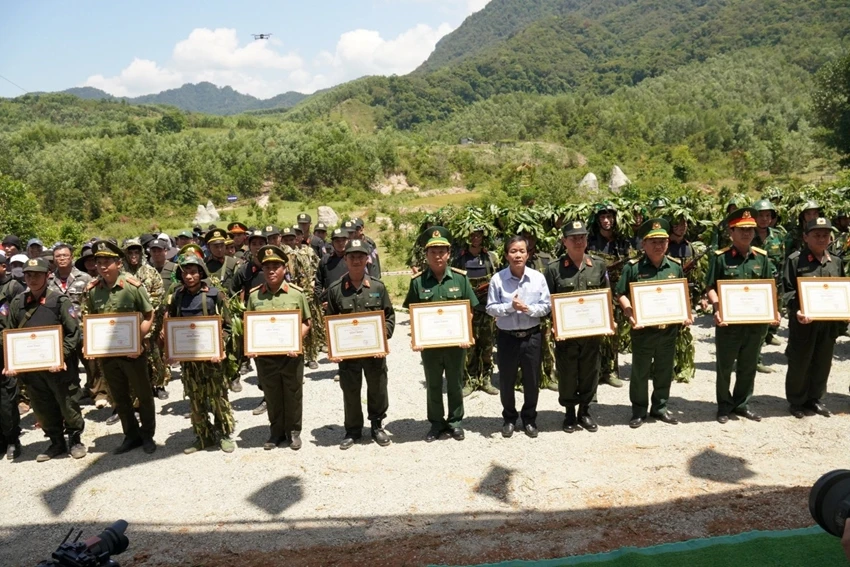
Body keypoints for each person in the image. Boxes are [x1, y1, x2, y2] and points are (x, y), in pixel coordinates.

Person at [4, 257, 85, 461]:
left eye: (37, 274)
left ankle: (75, 439)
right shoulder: (17, 303)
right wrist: (11, 361)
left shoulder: (59, 301)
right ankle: (56, 442)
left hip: (59, 367)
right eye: (28, 275)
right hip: (33, 370)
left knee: (68, 403)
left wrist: (61, 356)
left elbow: (73, 332)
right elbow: (8, 333)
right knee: (42, 405)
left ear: (47, 275)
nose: (32, 279)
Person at [403, 226, 477, 442]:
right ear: (426, 254)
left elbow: (469, 311)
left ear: (449, 253)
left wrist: (466, 334)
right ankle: (436, 424)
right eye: (433, 251)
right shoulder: (417, 282)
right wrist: (416, 338)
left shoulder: (460, 279)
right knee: (433, 384)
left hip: (455, 344)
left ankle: (455, 422)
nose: (438, 255)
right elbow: (412, 313)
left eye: (442, 251)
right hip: (430, 346)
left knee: (455, 383)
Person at [84, 240, 157, 454]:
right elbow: (89, 320)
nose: (102, 266)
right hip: (108, 355)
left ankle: (147, 435)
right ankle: (131, 435)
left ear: (118, 263)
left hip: (133, 353)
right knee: (119, 396)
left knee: (143, 395)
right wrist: (89, 346)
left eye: (107, 261)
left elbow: (149, 314)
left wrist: (138, 339)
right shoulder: (93, 290)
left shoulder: (132, 286)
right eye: (99, 262)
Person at [617, 219, 691, 429]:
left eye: (663, 241)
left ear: (668, 243)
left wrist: (685, 313)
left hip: (668, 330)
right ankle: (639, 411)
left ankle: (660, 407)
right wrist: (629, 312)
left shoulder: (675, 267)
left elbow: (681, 294)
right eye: (653, 241)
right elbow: (621, 293)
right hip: (643, 330)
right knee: (640, 371)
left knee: (664, 370)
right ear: (644, 244)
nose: (659, 245)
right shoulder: (633, 268)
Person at [705, 208, 778, 424]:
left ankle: (742, 404)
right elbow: (710, 287)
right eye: (741, 229)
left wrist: (773, 310)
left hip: (755, 323)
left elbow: (769, 288)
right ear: (731, 231)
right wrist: (718, 308)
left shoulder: (761, 258)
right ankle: (724, 406)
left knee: (748, 365)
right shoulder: (720, 258)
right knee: (725, 366)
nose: (746, 233)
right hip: (729, 323)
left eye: (750, 229)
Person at [326, 239, 395, 449]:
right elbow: (329, 320)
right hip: (348, 354)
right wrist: (334, 349)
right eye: (352, 256)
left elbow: (390, 317)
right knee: (350, 390)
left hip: (374, 353)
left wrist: (381, 338)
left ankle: (377, 426)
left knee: (377, 388)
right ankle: (353, 430)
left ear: (367, 259)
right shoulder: (336, 290)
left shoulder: (377, 287)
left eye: (360, 256)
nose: (356, 260)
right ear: (345, 259)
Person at [165, 256, 236, 453]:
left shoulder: (215, 295)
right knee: (195, 399)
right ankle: (203, 437)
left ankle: (223, 434)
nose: (189, 276)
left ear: (201, 273)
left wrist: (220, 348)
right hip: (190, 361)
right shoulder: (177, 296)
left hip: (212, 360)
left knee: (218, 398)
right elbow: (173, 325)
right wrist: (172, 351)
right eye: (185, 272)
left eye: (193, 272)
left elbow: (228, 327)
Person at [245, 245, 311, 451]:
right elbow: (249, 324)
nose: (271, 270)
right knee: (272, 394)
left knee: (293, 393)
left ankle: (293, 432)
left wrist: (295, 340)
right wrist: (251, 347)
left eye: (276, 266)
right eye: (267, 267)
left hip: (291, 356)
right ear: (262, 271)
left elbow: (307, 323)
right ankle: (275, 432)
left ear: (284, 269)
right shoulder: (255, 296)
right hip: (265, 357)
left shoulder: (296, 294)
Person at [545, 221, 609, 433]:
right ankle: (570, 412)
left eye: (582, 236)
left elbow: (605, 296)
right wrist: (554, 326)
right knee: (568, 372)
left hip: (592, 332)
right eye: (574, 238)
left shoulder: (598, 265)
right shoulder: (554, 269)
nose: (579, 241)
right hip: (567, 334)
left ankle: (585, 410)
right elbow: (547, 303)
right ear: (565, 242)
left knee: (591, 370)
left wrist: (608, 321)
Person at [486, 235, 550, 438]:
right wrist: (509, 307)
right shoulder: (498, 279)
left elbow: (547, 305)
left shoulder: (538, 278)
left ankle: (529, 419)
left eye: (522, 251)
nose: (518, 255)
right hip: (507, 337)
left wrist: (528, 309)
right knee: (506, 380)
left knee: (532, 380)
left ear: (528, 254)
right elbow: (490, 307)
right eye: (513, 251)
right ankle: (509, 418)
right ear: (506, 255)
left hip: (532, 336)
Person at [783, 218, 847, 418]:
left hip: (828, 323)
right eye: (816, 235)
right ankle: (796, 401)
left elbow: (843, 291)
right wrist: (798, 310)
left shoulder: (836, 262)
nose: (821, 238)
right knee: (800, 361)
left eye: (825, 235)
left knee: (822, 361)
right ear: (805, 237)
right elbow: (787, 291)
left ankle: (815, 399)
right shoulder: (795, 260)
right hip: (804, 321)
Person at [587, 202, 633, 388]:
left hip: (616, 292)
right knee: (595, 333)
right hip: (595, 293)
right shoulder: (590, 241)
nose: (606, 221)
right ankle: (596, 371)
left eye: (609, 217)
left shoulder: (622, 243)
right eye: (602, 218)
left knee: (613, 333)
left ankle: (612, 370)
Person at [452, 227, 500, 396]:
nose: (476, 237)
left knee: (487, 347)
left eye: (479, 234)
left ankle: (486, 379)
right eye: (472, 234)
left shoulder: (491, 258)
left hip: (487, 310)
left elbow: (498, 282)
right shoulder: (460, 259)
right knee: (470, 348)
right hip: (468, 310)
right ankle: (470, 380)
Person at [123, 238, 168, 400]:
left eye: (137, 252)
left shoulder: (150, 272)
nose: (134, 255)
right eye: (130, 252)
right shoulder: (120, 272)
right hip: (126, 323)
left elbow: (158, 295)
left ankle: (159, 384)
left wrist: (143, 309)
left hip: (150, 319)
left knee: (154, 353)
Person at [752, 199, 786, 372]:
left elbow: (783, 260)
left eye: (768, 215)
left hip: (775, 284)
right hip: (755, 286)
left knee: (771, 321)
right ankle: (755, 359)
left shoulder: (778, 236)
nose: (765, 219)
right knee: (758, 325)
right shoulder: (748, 235)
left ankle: (765, 342)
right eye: (761, 215)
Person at [0, 253, 24, 460]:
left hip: (5, 350)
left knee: (7, 400)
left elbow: (19, 319)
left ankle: (12, 440)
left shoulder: (14, 287)